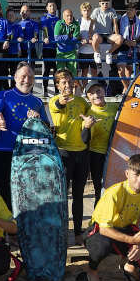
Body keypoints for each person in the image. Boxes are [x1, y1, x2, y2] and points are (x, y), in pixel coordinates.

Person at [80, 154, 140, 281]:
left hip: (124, 231)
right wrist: (132, 241)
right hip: (97, 231)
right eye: (136, 175)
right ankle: (91, 271)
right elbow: (104, 228)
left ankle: (129, 265)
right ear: (127, 173)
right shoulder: (114, 192)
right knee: (102, 244)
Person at [0, 63, 50, 211]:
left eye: (30, 76)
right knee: (3, 189)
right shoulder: (3, 95)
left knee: (26, 190)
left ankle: (22, 226)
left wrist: (38, 120)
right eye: (23, 76)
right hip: (4, 149)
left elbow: (47, 128)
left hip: (28, 152)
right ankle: (6, 227)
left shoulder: (37, 102)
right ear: (15, 77)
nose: (27, 80)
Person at [49, 69, 95, 241]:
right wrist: (62, 101)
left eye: (69, 81)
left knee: (78, 195)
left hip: (82, 153)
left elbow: (93, 112)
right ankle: (60, 232)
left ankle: (77, 232)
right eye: (63, 82)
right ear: (57, 85)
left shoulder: (82, 102)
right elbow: (57, 105)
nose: (67, 85)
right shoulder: (54, 100)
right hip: (63, 153)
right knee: (61, 195)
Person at [84, 83, 116, 205]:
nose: (96, 95)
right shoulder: (88, 113)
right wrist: (87, 127)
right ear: (87, 97)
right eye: (91, 93)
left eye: (98, 90)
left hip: (115, 153)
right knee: (100, 188)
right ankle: (98, 218)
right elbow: (85, 139)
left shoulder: (114, 107)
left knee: (115, 186)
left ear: (104, 91)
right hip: (96, 155)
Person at [114, 5, 140, 92]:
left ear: (135, 11)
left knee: (129, 70)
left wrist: (136, 42)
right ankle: (127, 88)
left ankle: (126, 89)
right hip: (122, 47)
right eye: (127, 10)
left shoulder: (139, 22)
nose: (129, 11)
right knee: (120, 70)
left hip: (133, 49)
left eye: (131, 10)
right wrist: (124, 41)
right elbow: (116, 33)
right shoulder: (121, 20)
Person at [90, 0, 121, 69]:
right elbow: (91, 24)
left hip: (109, 35)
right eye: (103, 3)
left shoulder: (112, 10)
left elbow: (115, 24)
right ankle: (97, 53)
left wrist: (116, 35)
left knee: (120, 38)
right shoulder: (96, 10)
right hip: (99, 35)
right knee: (95, 37)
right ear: (99, 3)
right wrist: (90, 35)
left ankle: (109, 53)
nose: (105, 5)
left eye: (107, 3)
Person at [76, 2, 100, 93]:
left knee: (94, 73)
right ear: (81, 11)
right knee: (84, 73)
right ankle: (85, 91)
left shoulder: (94, 22)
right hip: (82, 51)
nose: (86, 12)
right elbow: (77, 36)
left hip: (94, 52)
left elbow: (97, 38)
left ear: (90, 11)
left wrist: (89, 42)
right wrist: (80, 40)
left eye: (88, 10)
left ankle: (95, 91)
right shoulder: (78, 21)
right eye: (84, 10)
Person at [53, 8, 81, 78]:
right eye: (67, 16)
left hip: (72, 52)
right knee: (60, 75)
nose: (70, 17)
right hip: (60, 52)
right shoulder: (59, 23)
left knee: (73, 75)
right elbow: (56, 38)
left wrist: (64, 39)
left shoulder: (76, 24)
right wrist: (68, 36)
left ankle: (73, 89)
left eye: (71, 16)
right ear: (63, 17)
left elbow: (75, 38)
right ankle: (61, 89)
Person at [39, 2, 60, 97]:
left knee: (56, 70)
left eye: (54, 6)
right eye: (50, 6)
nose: (52, 7)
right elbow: (43, 29)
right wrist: (46, 38)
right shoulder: (44, 18)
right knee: (47, 69)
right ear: (47, 7)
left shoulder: (58, 19)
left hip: (57, 48)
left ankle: (57, 91)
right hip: (47, 47)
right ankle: (45, 91)